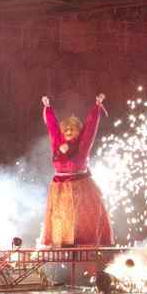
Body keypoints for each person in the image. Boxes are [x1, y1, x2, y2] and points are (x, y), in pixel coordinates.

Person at [40, 93, 114, 247]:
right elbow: (52, 128)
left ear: (77, 131)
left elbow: (90, 129)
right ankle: (63, 243)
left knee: (82, 224)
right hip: (60, 190)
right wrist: (47, 108)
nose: (68, 132)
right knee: (61, 220)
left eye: (72, 130)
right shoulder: (57, 143)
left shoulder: (82, 146)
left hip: (81, 188)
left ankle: (84, 245)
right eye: (65, 130)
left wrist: (96, 107)